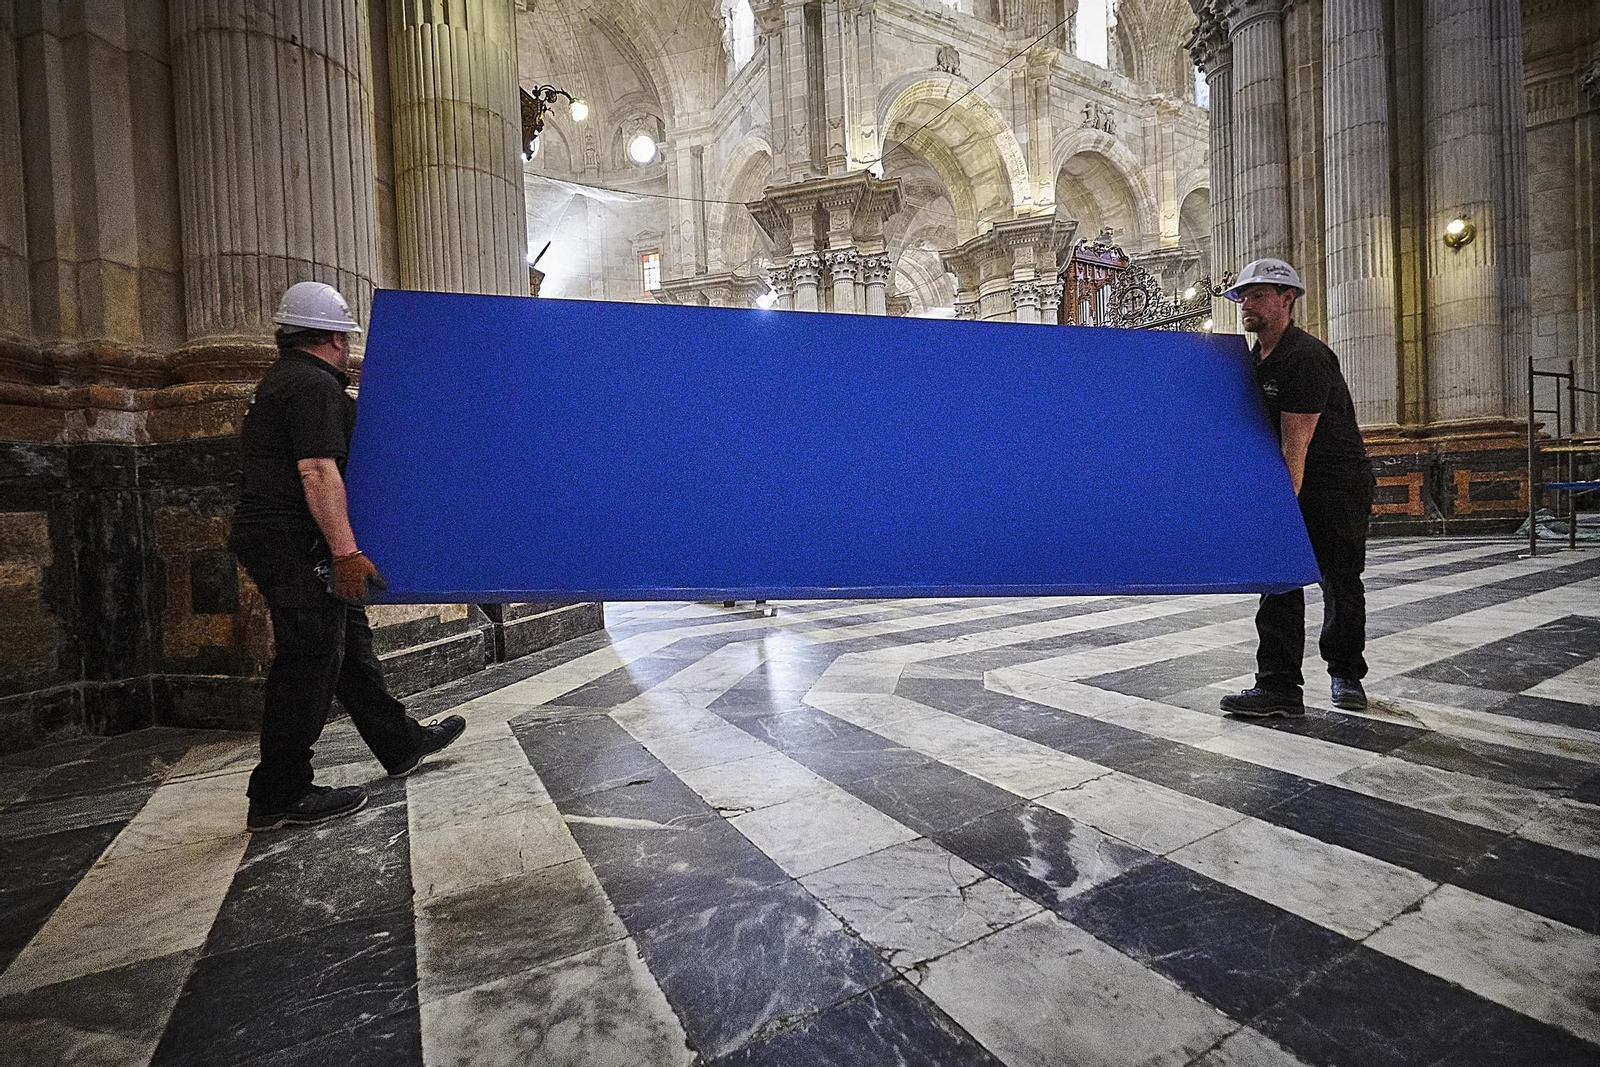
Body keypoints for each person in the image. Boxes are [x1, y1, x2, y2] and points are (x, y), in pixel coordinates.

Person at [230, 281, 465, 831]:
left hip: (282, 538)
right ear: (336, 338)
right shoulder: (311, 385)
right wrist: (346, 552)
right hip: (295, 544)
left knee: (347, 645)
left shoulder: (282, 380)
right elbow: (317, 470)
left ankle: (399, 742)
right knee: (309, 660)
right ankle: (279, 792)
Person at [1219, 258, 1375, 718]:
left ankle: (1346, 673)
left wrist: (1277, 512)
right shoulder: (1254, 359)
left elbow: (1295, 445)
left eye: (1258, 295)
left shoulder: (1305, 357)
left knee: (1338, 578)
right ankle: (1280, 687)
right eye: (1243, 296)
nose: (1247, 303)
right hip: (1289, 476)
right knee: (1280, 579)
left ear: (1287, 299)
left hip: (1334, 483)